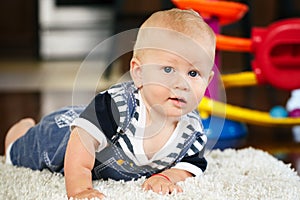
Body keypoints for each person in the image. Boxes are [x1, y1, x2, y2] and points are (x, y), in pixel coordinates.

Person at [4, 8, 216, 199]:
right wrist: (80, 189)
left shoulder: (192, 130)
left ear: (207, 81)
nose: (182, 84)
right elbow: (82, 140)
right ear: (139, 73)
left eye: (193, 73)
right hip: (63, 137)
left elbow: (190, 165)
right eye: (168, 70)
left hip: (94, 132)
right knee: (21, 152)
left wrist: (168, 177)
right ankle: (20, 131)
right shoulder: (118, 106)